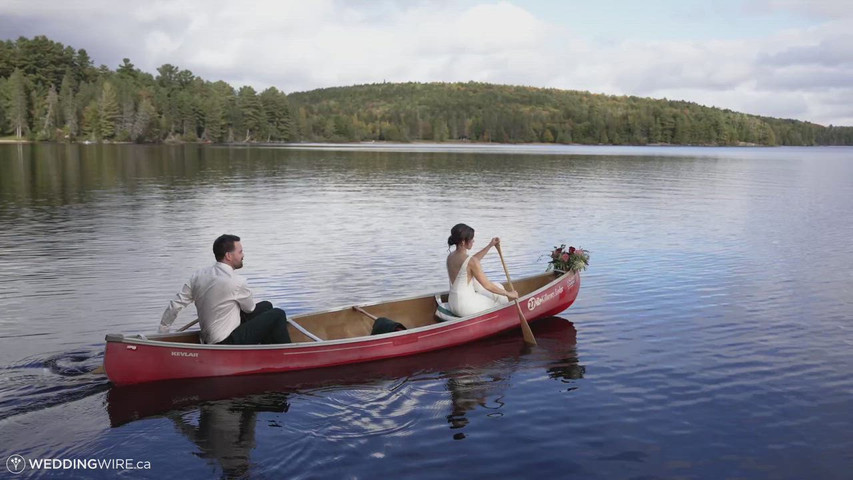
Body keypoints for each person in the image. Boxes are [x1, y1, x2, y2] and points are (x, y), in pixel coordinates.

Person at [158, 234, 291, 345]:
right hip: (226, 342)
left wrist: (163, 331)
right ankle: (285, 353)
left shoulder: (197, 276)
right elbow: (249, 309)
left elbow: (175, 305)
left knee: (266, 306)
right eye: (240, 252)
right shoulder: (237, 281)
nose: (243, 255)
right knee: (278, 314)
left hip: (207, 339)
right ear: (228, 256)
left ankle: (267, 346)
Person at [446, 223, 518, 317]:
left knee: (498, 286)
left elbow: (470, 262)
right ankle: (506, 317)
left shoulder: (450, 257)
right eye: (471, 239)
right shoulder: (471, 262)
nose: (473, 241)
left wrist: (490, 245)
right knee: (500, 297)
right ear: (463, 242)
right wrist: (508, 294)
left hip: (452, 303)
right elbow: (487, 285)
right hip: (465, 307)